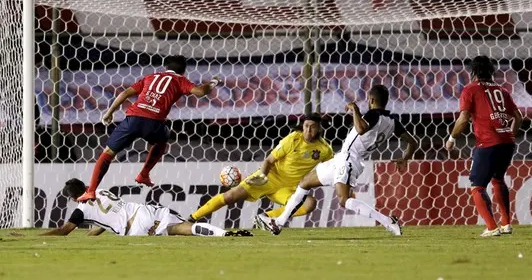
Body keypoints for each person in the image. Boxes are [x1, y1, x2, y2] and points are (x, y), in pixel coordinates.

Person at [259, 85, 419, 236]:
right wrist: (405, 158)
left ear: (371, 99)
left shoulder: (373, 114)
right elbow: (413, 142)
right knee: (305, 182)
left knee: (343, 200)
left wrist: (355, 110)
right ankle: (279, 222)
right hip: (342, 158)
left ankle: (387, 221)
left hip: (349, 160)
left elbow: (361, 129)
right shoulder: (393, 122)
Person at [77, 55, 220, 202]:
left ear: (166, 67)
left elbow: (125, 93)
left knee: (107, 153)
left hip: (133, 119)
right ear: (183, 71)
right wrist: (213, 82)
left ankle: (91, 191)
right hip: (154, 123)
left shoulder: (151, 77)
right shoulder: (180, 80)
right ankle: (144, 174)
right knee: (162, 139)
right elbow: (201, 92)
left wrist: (109, 113)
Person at [187, 114, 333, 226]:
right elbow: (269, 160)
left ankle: (266, 218)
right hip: (268, 178)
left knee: (310, 204)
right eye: (306, 125)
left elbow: (329, 170)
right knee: (230, 197)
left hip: (289, 188)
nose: (308, 130)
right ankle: (192, 218)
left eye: (312, 126)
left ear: (319, 128)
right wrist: (262, 175)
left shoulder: (324, 149)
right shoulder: (293, 139)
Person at [445, 56, 523, 237]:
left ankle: (491, 227)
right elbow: (518, 116)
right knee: (498, 179)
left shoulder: (470, 89)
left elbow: (463, 119)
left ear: (472, 72)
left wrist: (451, 139)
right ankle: (506, 224)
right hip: (507, 142)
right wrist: (509, 134)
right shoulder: (502, 90)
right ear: (491, 71)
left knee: (477, 186)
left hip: (488, 143)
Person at [37, 179, 251, 237]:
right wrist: (94, 233)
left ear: (74, 198)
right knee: (184, 227)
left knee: (178, 232)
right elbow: (110, 217)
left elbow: (64, 231)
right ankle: (223, 234)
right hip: (143, 211)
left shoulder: (81, 210)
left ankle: (222, 234)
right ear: (86, 186)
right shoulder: (101, 190)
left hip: (135, 230)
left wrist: (40, 236)